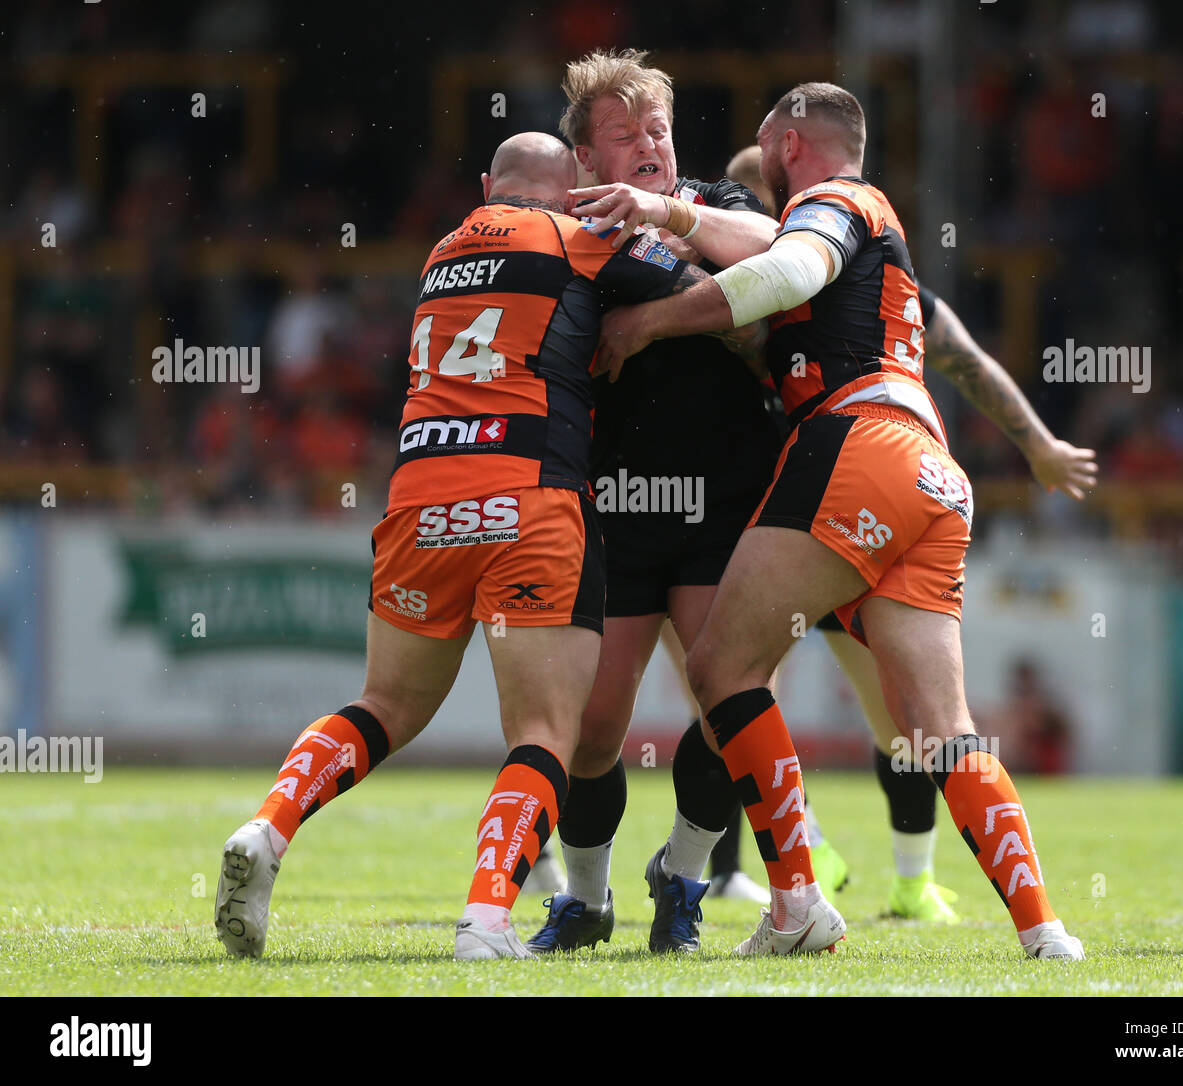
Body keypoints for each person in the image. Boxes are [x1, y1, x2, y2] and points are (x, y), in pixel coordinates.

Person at [212, 131, 732, 962]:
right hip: (528, 494)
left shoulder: (440, 252)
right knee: (543, 731)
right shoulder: (581, 236)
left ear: (488, 185)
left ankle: (268, 828)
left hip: (420, 499)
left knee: (383, 706)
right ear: (573, 193)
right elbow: (720, 289)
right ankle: (487, 920)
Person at [595, 83, 1086, 959]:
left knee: (721, 668)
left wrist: (650, 322)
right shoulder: (883, 248)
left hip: (854, 445)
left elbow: (785, 271)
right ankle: (1043, 930)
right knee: (939, 727)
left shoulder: (836, 200)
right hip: (932, 470)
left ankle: (796, 900)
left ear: (788, 144)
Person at [524, 48, 805, 955]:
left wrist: (663, 237)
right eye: (626, 134)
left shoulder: (719, 205)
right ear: (587, 160)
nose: (648, 144)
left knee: (730, 708)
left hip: (727, 499)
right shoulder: (565, 232)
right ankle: (588, 896)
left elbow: (774, 264)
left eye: (658, 129)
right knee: (594, 728)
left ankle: (683, 880)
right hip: (614, 499)